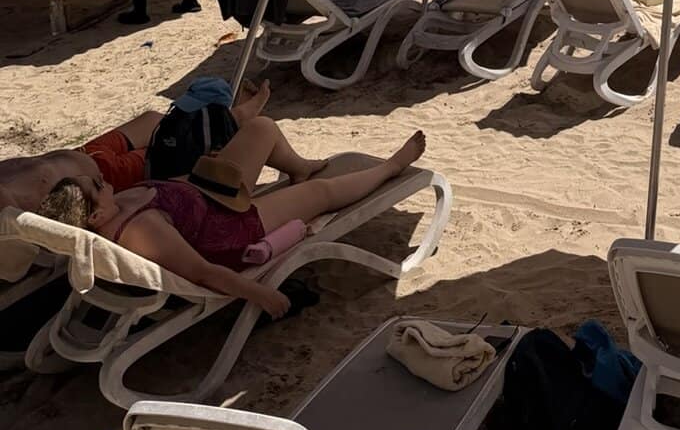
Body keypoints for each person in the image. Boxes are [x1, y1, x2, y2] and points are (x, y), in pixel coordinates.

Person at [39, 121, 427, 321]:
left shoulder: (114, 210)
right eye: (97, 185)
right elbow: (205, 273)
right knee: (321, 195)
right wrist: (264, 295)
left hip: (212, 195)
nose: (104, 180)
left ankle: (299, 169)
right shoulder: (143, 232)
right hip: (234, 229)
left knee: (261, 128)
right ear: (95, 215)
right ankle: (391, 168)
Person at [0, 82, 272, 213]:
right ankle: (239, 118)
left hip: (85, 153)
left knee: (154, 119)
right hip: (104, 178)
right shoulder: (9, 206)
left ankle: (233, 117)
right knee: (180, 144)